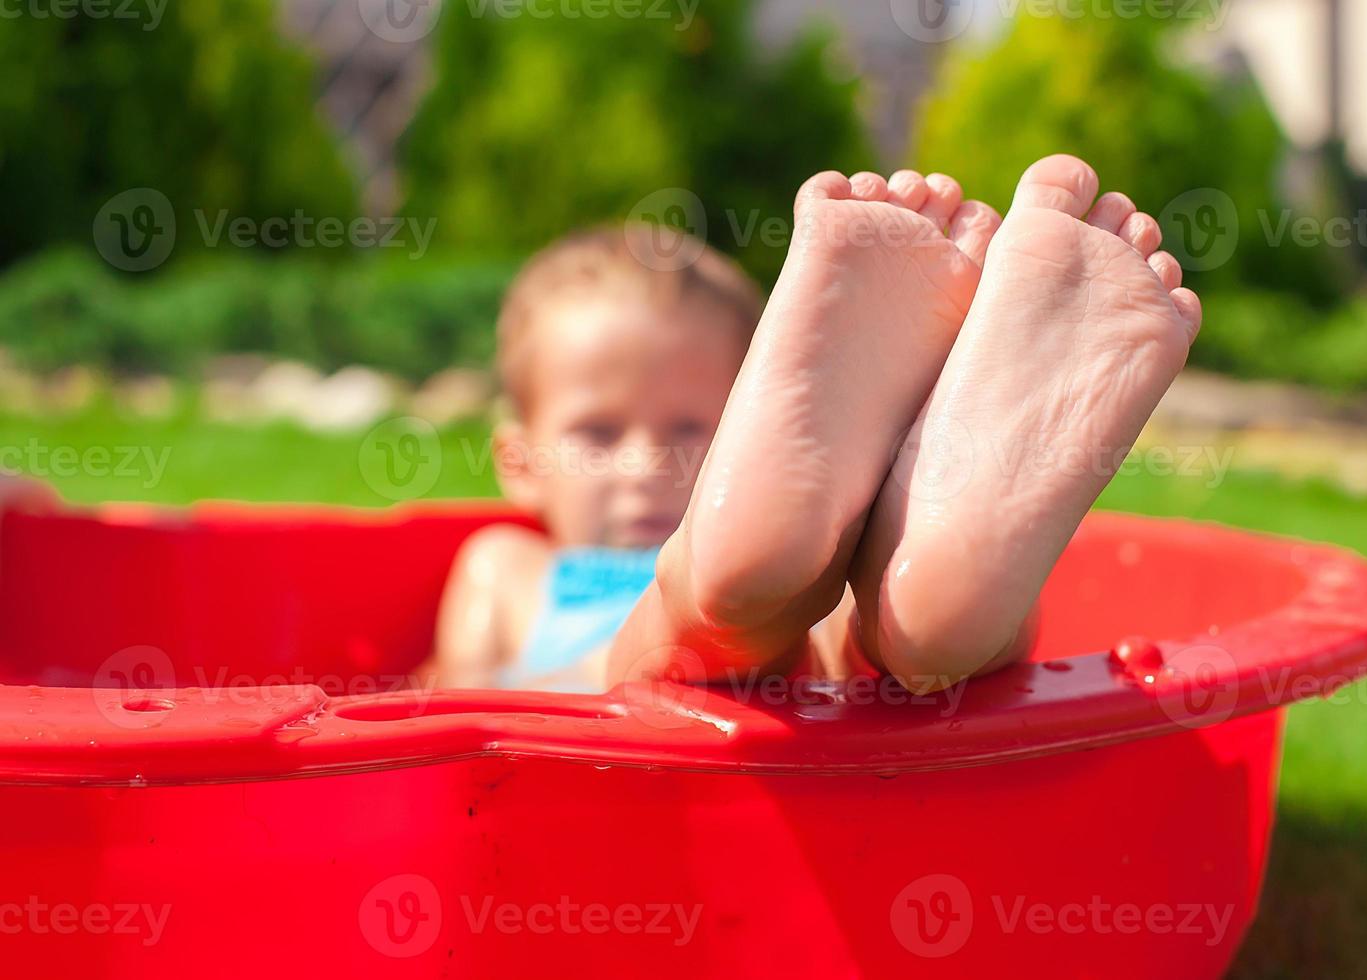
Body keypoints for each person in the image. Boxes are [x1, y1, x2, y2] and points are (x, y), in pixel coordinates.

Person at [428, 155, 1201, 695]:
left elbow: (429, 715)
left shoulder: (503, 575)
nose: (646, 466)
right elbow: (452, 724)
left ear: (752, 432)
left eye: (692, 432)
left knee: (823, 629)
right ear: (520, 460)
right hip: (651, 710)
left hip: (760, 710)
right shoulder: (502, 566)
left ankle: (924, 592)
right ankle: (911, 610)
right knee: (704, 639)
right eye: (598, 434)